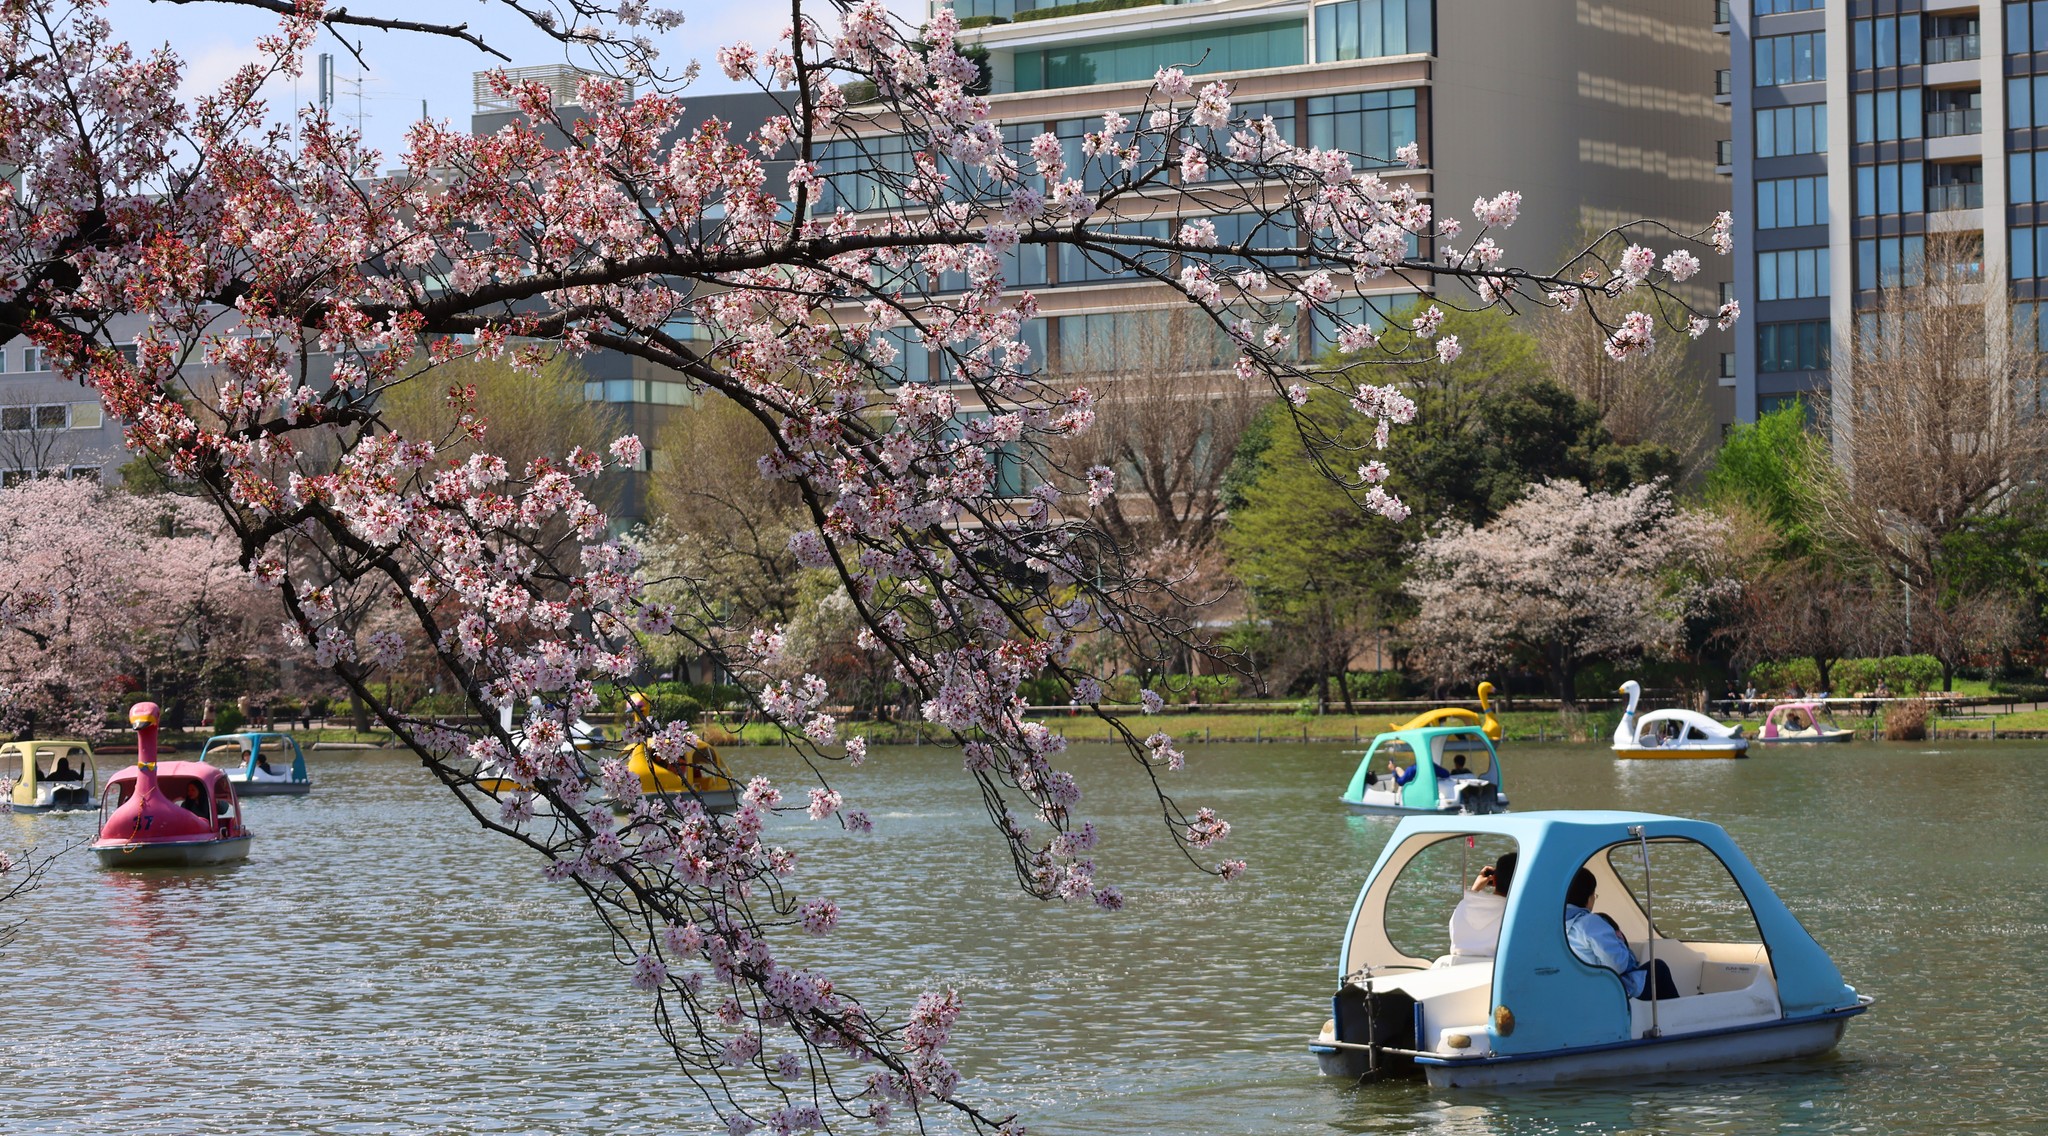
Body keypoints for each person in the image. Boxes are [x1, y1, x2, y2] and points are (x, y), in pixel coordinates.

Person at [1564, 868, 1681, 1001]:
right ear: (1588, 897)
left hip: (1582, 992)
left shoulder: (1557, 925)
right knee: (1658, 968)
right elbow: (1617, 965)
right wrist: (1620, 941)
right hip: (1609, 993)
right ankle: (1682, 1015)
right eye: (1594, 896)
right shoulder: (1589, 923)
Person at [1448, 852, 1517, 961]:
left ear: (1494, 880)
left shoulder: (1463, 906)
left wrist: (1475, 889)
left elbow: (1470, 903)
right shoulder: (1518, 914)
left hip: (1457, 970)